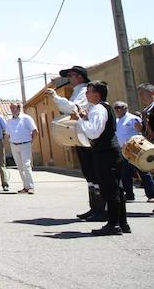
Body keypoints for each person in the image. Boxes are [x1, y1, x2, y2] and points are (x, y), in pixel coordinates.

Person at [46, 65, 104, 221]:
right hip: (81, 136)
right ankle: (94, 208)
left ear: (79, 77)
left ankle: (100, 209)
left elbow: (73, 108)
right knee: (89, 172)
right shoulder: (78, 91)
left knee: (93, 171)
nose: (69, 79)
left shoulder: (83, 91)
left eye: (70, 76)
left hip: (88, 136)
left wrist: (55, 97)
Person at [75, 81, 130, 235]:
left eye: (89, 91)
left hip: (106, 153)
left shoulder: (99, 109)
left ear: (97, 94)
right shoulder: (104, 108)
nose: (86, 94)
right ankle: (122, 223)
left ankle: (113, 225)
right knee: (116, 189)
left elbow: (93, 132)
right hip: (111, 152)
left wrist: (81, 120)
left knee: (110, 190)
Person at [113, 101, 154, 202]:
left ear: (125, 108)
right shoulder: (117, 120)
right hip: (124, 150)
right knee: (125, 173)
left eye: (120, 107)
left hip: (135, 149)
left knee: (143, 171)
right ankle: (129, 195)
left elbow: (141, 131)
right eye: (116, 107)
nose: (118, 109)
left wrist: (140, 128)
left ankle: (151, 194)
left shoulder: (132, 118)